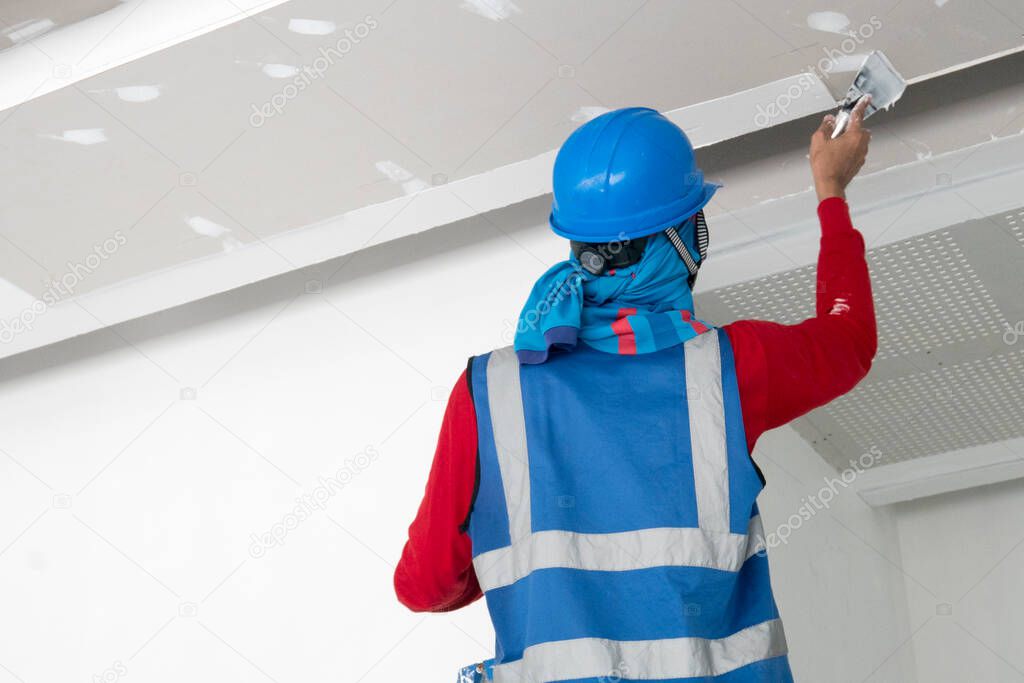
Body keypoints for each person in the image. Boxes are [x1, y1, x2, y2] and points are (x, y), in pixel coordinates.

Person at [395, 96, 876, 683]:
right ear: (680, 238)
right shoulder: (732, 367)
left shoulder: (488, 390)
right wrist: (831, 188)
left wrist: (517, 550)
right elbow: (848, 339)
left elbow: (424, 588)